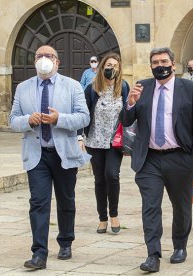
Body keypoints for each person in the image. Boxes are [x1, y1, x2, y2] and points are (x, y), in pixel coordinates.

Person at [120, 47, 193, 273]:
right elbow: (127, 120)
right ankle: (153, 254)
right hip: (149, 159)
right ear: (151, 66)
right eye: (155, 62)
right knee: (150, 206)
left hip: (179, 157)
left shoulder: (189, 88)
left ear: (173, 64)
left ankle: (179, 246)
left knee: (181, 206)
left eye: (164, 61)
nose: (160, 65)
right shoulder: (143, 87)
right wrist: (130, 103)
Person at [9, 45, 90, 270]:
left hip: (64, 153)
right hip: (37, 155)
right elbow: (13, 120)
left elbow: (84, 117)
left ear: (57, 61)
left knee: (66, 200)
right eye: (39, 56)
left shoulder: (72, 86)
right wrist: (28, 120)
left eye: (49, 56)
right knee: (38, 203)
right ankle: (39, 253)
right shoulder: (23, 88)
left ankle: (65, 241)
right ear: (34, 60)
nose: (44, 59)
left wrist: (58, 119)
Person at [81, 52, 129, 234]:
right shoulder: (92, 89)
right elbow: (83, 114)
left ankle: (114, 214)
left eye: (115, 66)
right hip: (94, 140)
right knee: (99, 179)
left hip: (114, 142)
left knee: (112, 175)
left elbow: (129, 112)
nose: (112, 69)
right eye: (109, 66)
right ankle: (102, 218)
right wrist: (79, 136)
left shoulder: (123, 87)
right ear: (102, 68)